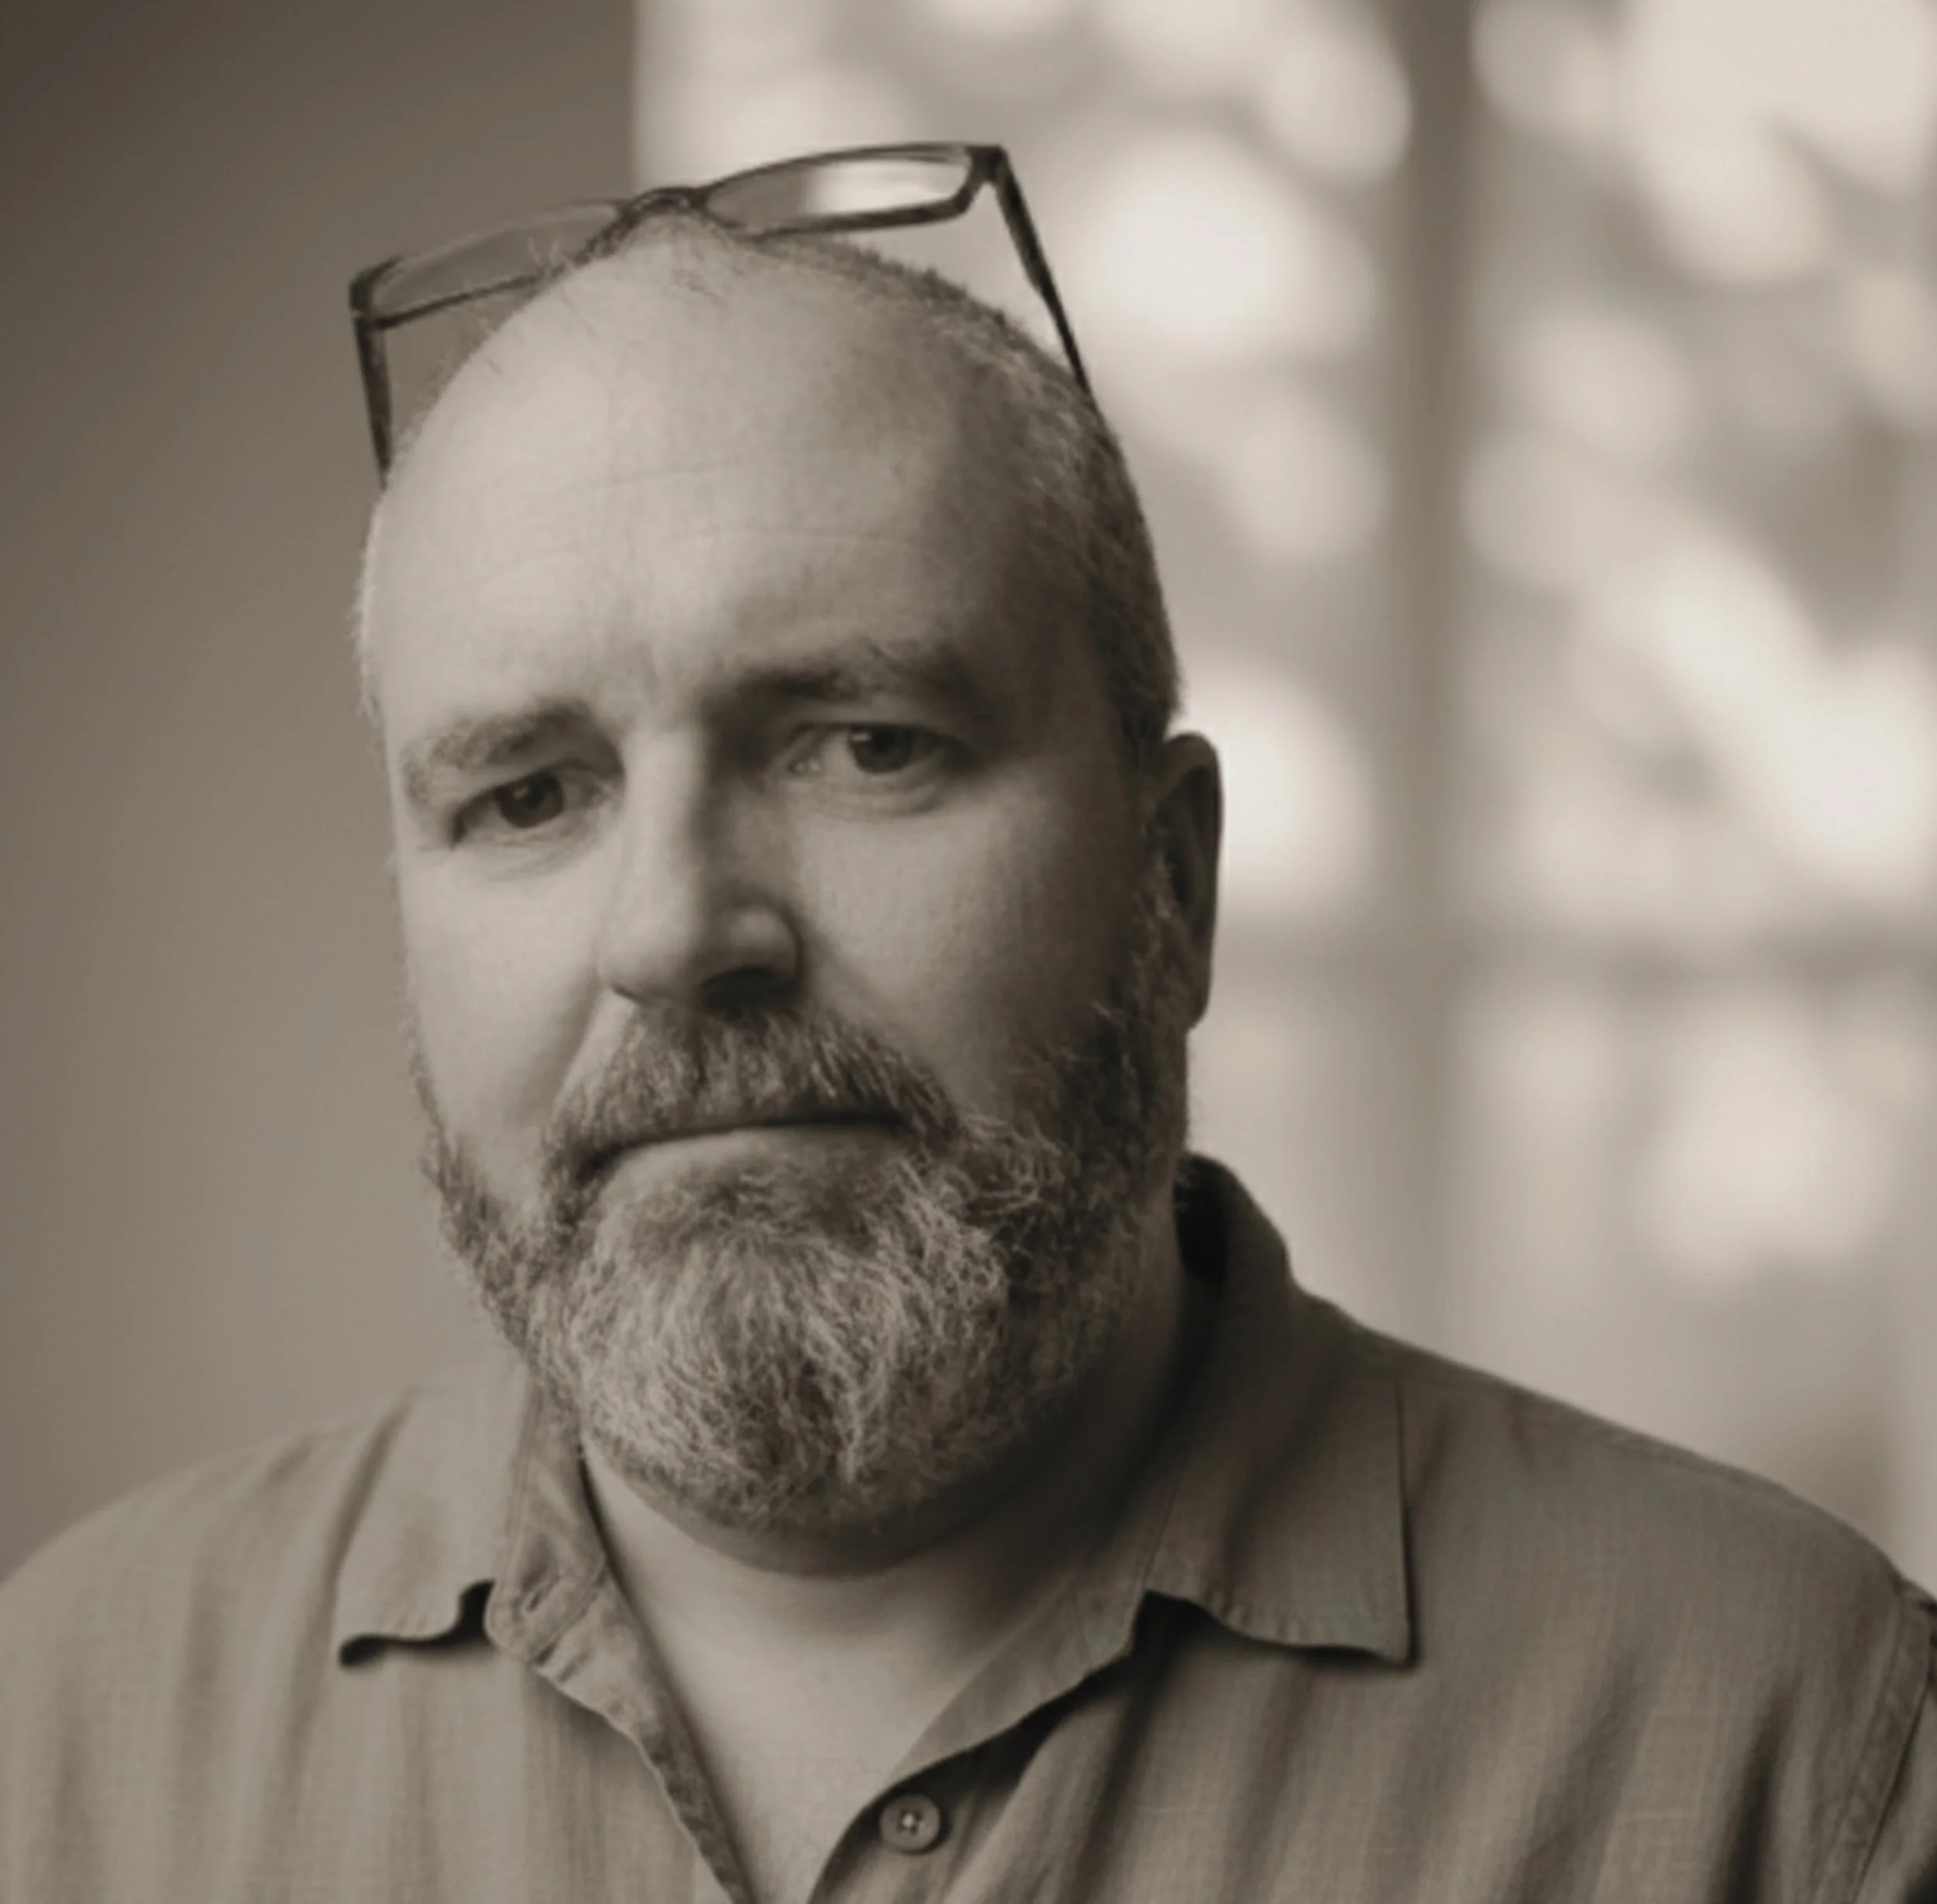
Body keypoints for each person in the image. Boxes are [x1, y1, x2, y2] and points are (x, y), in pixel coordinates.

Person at [2, 147, 1933, 1903]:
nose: (675, 931)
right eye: (527, 793)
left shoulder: (1794, 1745)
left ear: (1167, 881)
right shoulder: (63, 1733)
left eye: (864, 743)